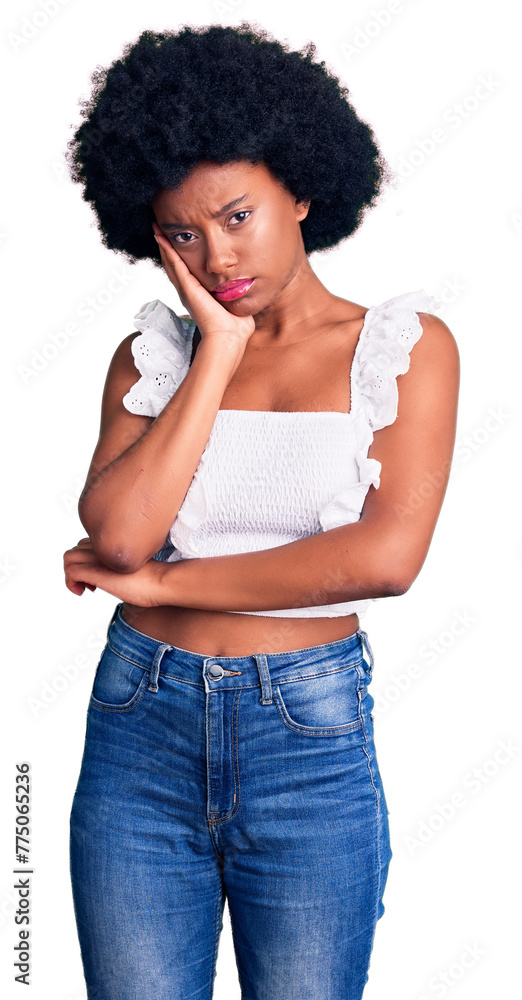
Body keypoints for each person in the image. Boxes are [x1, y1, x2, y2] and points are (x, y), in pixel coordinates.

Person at [62, 21, 460, 1000]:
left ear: (302, 188)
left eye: (239, 217)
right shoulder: (155, 358)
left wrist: (163, 580)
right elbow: (115, 533)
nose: (217, 254)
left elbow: (385, 556)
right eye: (184, 234)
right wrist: (219, 353)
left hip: (307, 740)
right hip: (138, 727)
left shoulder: (404, 348)